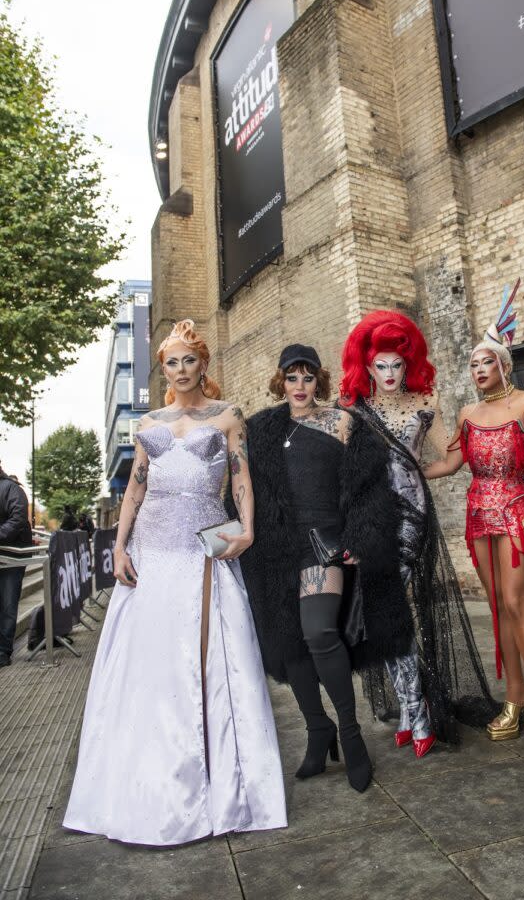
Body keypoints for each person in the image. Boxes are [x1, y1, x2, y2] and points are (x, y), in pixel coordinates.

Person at [64, 319, 286, 845]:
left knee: (209, 657)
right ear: (162, 369)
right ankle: (148, 783)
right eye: (172, 362)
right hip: (152, 549)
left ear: (203, 365)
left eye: (190, 360)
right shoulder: (149, 424)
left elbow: (240, 478)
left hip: (203, 547)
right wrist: (119, 545)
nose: (182, 369)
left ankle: (217, 783)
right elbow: (135, 491)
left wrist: (249, 529)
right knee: (150, 662)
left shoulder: (228, 416)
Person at [241, 344, 414, 793]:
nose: (300, 386)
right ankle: (318, 732)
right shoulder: (259, 428)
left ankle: (351, 735)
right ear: (281, 381)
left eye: (308, 377)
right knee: (291, 642)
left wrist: (362, 537)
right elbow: (244, 489)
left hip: (325, 544)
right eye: (292, 378)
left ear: (320, 379)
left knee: (319, 632)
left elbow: (372, 490)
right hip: (277, 547)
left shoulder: (343, 423)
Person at [340, 312, 498, 756]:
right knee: (380, 614)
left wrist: (413, 473)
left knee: (391, 608)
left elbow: (453, 458)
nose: (390, 374)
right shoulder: (353, 411)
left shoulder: (425, 402)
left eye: (396, 365)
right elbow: (346, 475)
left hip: (411, 517)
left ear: (407, 364)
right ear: (368, 369)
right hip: (372, 519)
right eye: (381, 366)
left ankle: (419, 712)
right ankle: (412, 710)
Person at [424, 282, 524, 761]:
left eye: (485, 361)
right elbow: (448, 465)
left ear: (504, 364)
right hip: (478, 514)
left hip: (517, 509)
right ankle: (514, 697)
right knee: (495, 604)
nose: (478, 369)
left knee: (515, 599)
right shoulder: (467, 413)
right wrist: (401, 472)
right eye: (472, 363)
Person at [0, 465, 32, 667]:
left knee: (8, 605)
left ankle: (3, 652)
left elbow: (18, 519)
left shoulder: (12, 489)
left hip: (11, 558)